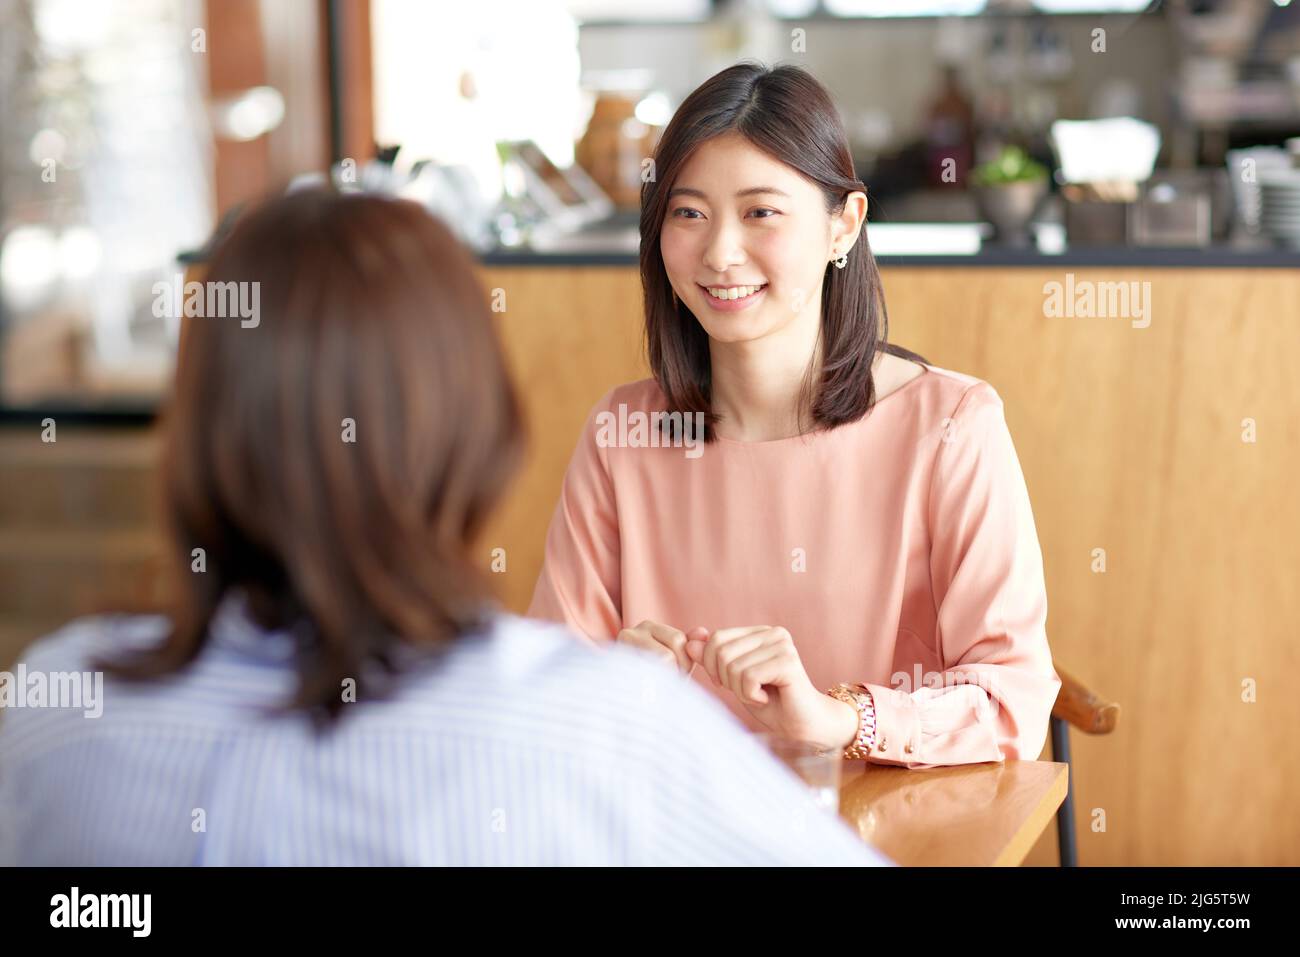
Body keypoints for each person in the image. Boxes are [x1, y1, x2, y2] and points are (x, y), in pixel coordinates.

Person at [0, 189, 889, 867]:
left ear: (188, 428)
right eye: (690, 213)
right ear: (483, 435)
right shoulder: (604, 730)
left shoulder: (56, 708)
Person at [529, 63, 1062, 770]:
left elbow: (1010, 702)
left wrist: (842, 718)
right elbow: (542, 705)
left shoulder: (952, 426)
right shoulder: (619, 434)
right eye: (688, 213)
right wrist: (604, 688)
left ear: (844, 224)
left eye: (761, 212)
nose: (720, 253)